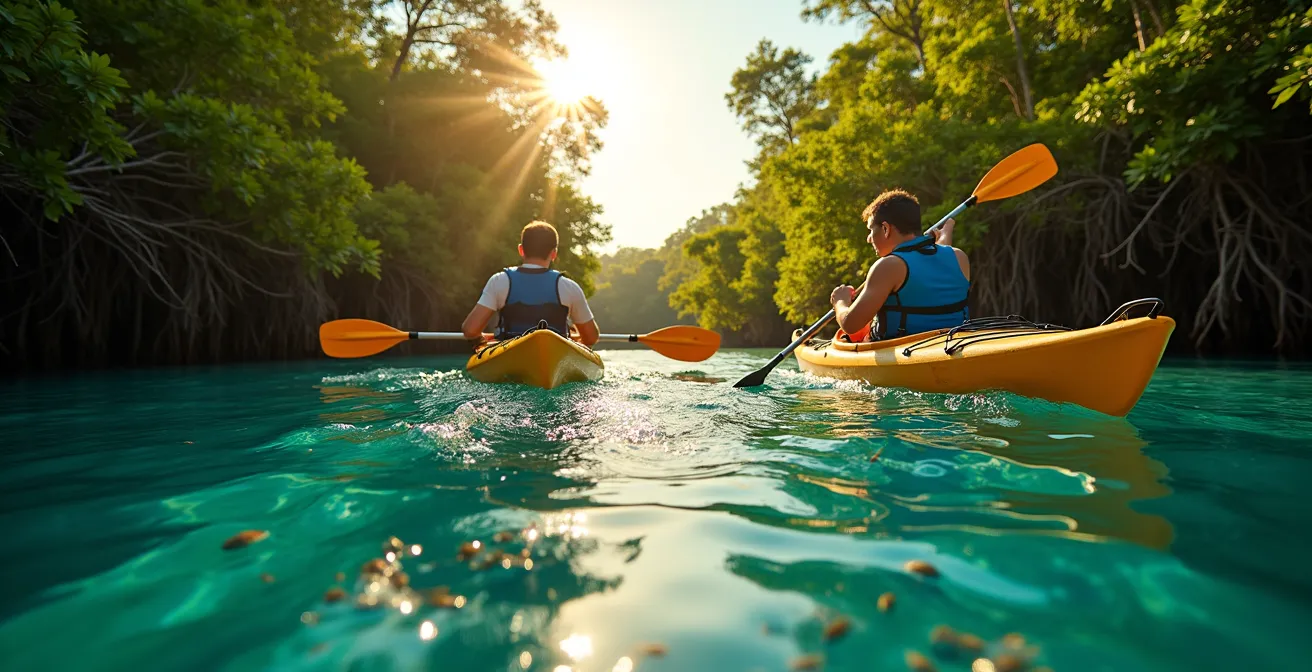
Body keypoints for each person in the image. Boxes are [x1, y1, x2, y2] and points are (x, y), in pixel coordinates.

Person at [830, 189, 971, 341]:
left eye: (871, 230)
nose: (869, 239)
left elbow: (850, 324)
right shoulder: (958, 256)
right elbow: (932, 263)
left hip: (905, 351)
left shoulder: (888, 266)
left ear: (885, 229)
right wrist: (944, 238)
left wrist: (840, 301)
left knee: (854, 334)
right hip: (954, 344)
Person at [461, 221, 601, 347]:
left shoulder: (499, 281)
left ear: (521, 249)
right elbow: (591, 338)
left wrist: (482, 342)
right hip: (554, 353)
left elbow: (470, 330)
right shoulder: (569, 287)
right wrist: (574, 342)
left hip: (511, 353)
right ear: (554, 254)